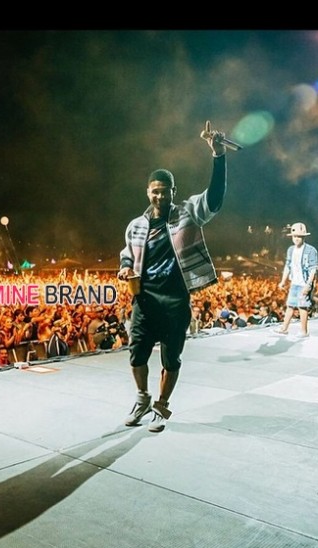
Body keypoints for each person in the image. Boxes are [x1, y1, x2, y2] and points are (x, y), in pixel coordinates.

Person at [117, 120, 228, 433]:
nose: (160, 197)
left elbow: (214, 200)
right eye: (155, 192)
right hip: (145, 298)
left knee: (171, 358)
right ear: (148, 192)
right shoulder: (135, 225)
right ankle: (142, 397)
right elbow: (127, 253)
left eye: (165, 192)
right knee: (136, 353)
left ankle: (161, 405)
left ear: (173, 193)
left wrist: (218, 157)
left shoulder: (187, 213)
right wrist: (125, 267)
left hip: (176, 299)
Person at [272, 222, 318, 338]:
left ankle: (304, 331)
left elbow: (313, 269)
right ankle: (284, 328)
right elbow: (288, 266)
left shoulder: (311, 250)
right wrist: (283, 281)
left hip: (304, 283)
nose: (297, 239)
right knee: (290, 305)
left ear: (304, 237)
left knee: (302, 306)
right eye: (295, 236)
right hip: (295, 282)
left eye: (299, 236)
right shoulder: (290, 250)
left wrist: (308, 285)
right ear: (292, 237)